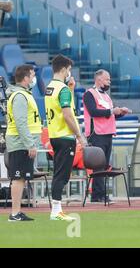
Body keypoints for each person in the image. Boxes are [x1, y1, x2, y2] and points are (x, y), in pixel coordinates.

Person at [45, 54, 87, 221]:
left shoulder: (51, 87)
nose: (70, 73)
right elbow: (68, 115)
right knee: (62, 175)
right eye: (69, 70)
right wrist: (79, 135)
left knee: (59, 173)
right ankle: (56, 210)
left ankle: (57, 209)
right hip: (65, 136)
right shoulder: (62, 90)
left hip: (55, 135)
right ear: (63, 69)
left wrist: (70, 88)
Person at [82, 69, 131, 203]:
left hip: (108, 133)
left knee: (104, 166)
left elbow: (109, 114)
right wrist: (112, 111)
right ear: (98, 80)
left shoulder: (107, 96)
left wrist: (120, 112)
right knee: (98, 166)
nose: (109, 81)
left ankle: (101, 194)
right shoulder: (89, 94)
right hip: (96, 134)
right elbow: (93, 111)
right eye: (107, 79)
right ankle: (97, 195)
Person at [5, 65, 41, 221]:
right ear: (26, 78)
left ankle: (17, 211)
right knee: (18, 178)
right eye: (32, 75)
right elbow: (20, 122)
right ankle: (14, 213)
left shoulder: (23, 94)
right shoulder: (20, 95)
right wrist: (30, 144)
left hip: (22, 143)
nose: (34, 78)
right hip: (20, 143)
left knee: (21, 178)